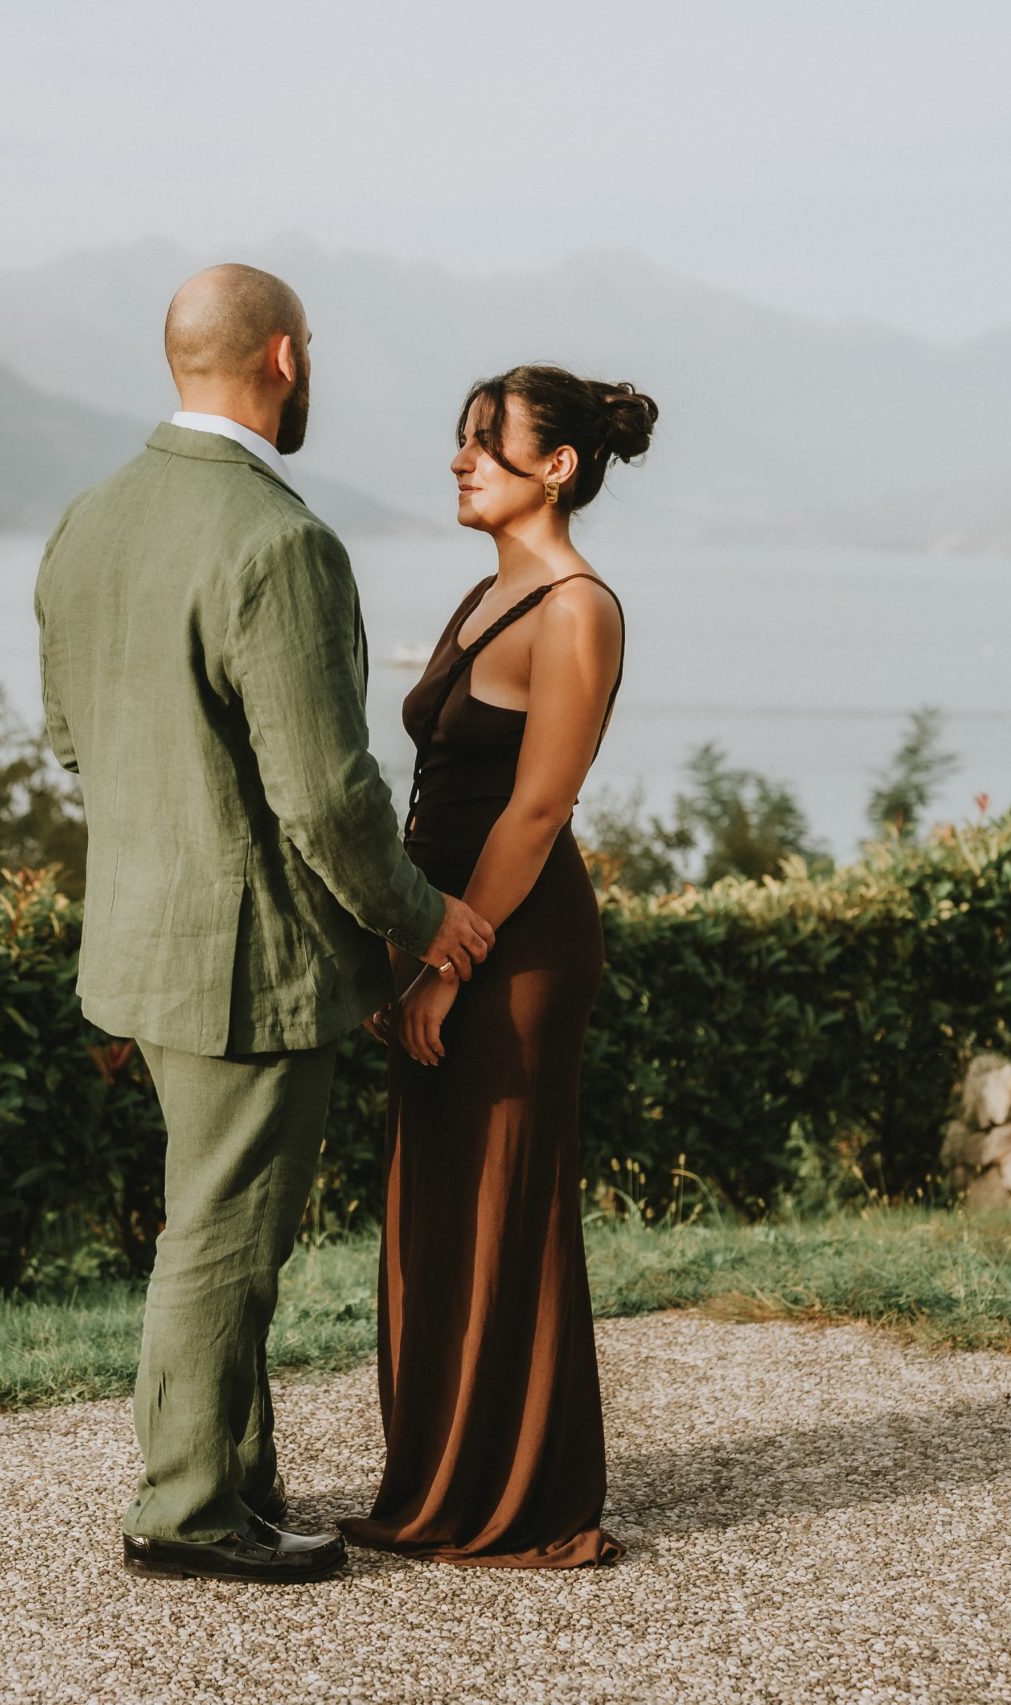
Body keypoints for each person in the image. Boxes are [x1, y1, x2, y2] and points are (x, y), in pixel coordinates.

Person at [34, 263, 497, 1585]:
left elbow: (74, 737)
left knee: (208, 1219)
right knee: (226, 1233)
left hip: (140, 936)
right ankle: (184, 1509)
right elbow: (325, 789)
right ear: (285, 360)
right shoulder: (278, 541)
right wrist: (424, 922)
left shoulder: (92, 519)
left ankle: (237, 1482)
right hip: (249, 962)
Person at [336, 364, 653, 1569]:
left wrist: (444, 967)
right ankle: (436, 1478)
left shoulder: (578, 608)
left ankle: (517, 1494)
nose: (461, 460)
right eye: (462, 441)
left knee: (499, 1210)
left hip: (512, 952)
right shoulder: (487, 591)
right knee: (435, 1209)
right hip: (453, 936)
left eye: (487, 442)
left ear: (556, 466)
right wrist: (407, 941)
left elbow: (534, 812)